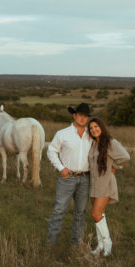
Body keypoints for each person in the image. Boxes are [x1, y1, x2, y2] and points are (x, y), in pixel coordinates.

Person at [45, 103, 93, 247]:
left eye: (86, 116)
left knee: (80, 212)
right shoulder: (63, 133)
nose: (83, 118)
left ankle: (77, 244)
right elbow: (51, 151)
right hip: (67, 177)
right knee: (59, 210)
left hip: (85, 178)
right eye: (80, 115)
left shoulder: (91, 135)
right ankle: (51, 244)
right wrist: (61, 167)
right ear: (74, 115)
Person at [87, 117, 130, 256]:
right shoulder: (93, 144)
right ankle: (100, 245)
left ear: (101, 127)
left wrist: (114, 166)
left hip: (105, 184)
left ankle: (108, 244)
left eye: (96, 126)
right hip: (93, 184)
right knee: (99, 215)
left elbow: (125, 156)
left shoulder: (111, 143)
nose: (94, 130)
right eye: (91, 128)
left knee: (95, 214)